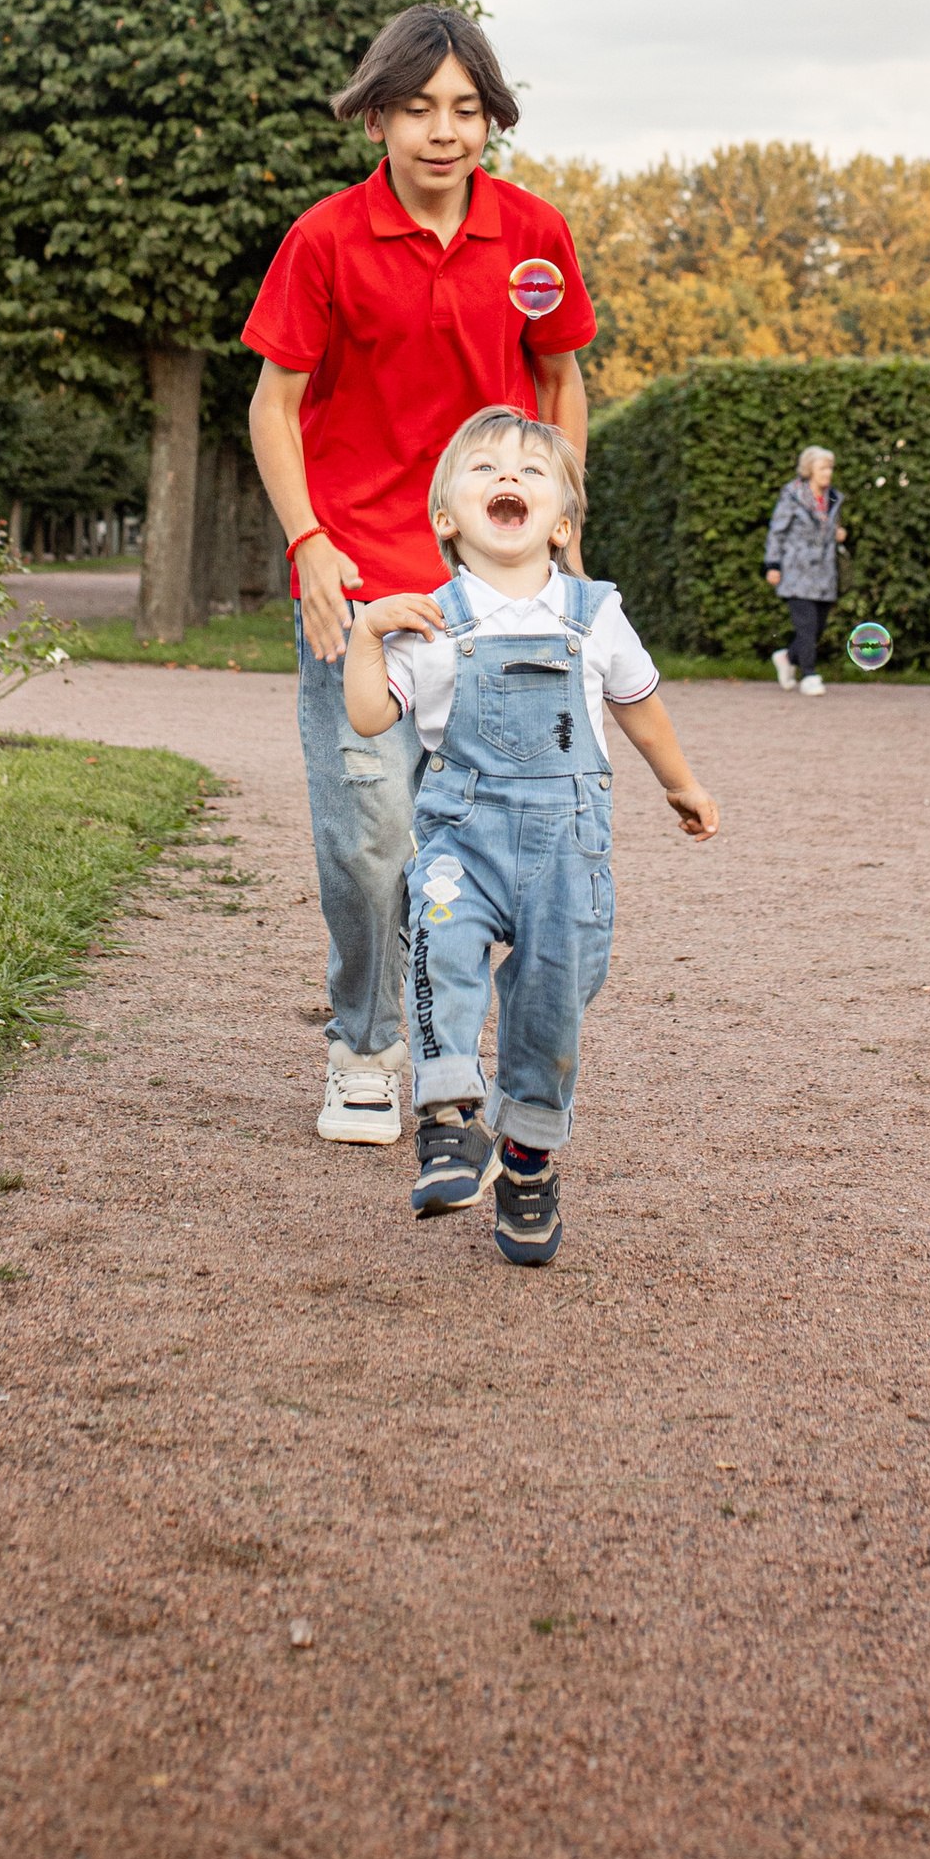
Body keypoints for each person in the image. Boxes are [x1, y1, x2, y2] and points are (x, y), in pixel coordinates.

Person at [245, 7, 596, 1148]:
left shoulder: (535, 239)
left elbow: (560, 386)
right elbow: (274, 406)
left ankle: (457, 1048)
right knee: (370, 832)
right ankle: (362, 1042)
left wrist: (563, 527)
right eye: (416, 107)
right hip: (361, 584)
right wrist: (308, 545)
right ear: (378, 115)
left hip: (493, 590)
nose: (442, 132)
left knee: (496, 836)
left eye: (464, 108)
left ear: (489, 115)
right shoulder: (326, 240)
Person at [342, 410, 716, 1265]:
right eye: (482, 467)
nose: (506, 476)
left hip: (567, 854)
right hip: (459, 844)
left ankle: (527, 1158)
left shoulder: (597, 613)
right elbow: (369, 714)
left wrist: (681, 782)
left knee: (552, 999)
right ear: (446, 515)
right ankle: (446, 1119)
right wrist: (367, 634)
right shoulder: (427, 622)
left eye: (531, 471)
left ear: (562, 523)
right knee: (436, 948)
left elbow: (639, 708)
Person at [764, 443, 846, 695]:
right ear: (809, 469)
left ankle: (787, 658)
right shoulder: (792, 495)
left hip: (824, 573)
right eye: (823, 467)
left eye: (830, 467)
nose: (828, 472)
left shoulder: (833, 497)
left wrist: (838, 534)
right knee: (807, 627)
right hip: (796, 571)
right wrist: (773, 565)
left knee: (818, 627)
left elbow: (828, 529)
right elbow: (777, 531)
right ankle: (809, 675)